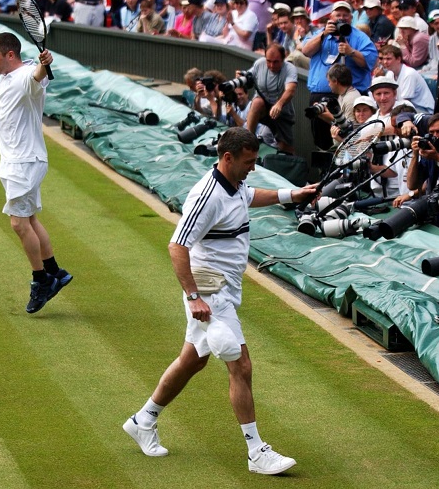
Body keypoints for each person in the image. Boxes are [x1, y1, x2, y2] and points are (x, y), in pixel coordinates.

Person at [122, 127, 318, 475]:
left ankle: (143, 419)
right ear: (227, 158)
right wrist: (194, 296)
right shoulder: (207, 197)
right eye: (248, 162)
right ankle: (257, 452)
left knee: (193, 359)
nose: (252, 168)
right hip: (209, 290)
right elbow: (176, 246)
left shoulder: (236, 183)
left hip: (224, 287)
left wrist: (292, 194)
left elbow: (249, 195)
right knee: (239, 364)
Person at [0, 0, 73, 314]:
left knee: (18, 224)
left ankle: (40, 280)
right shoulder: (7, 69)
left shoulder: (28, 76)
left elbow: (37, 75)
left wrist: (45, 64)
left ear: (10, 56)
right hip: (17, 160)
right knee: (29, 219)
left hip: (24, 162)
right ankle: (54, 270)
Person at [301, 1, 378, 149]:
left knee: (348, 140)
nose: (342, 18)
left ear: (351, 17)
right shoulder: (320, 34)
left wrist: (352, 52)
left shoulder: (360, 38)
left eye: (345, 15)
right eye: (338, 15)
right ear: (331, 16)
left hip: (350, 98)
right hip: (321, 95)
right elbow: (306, 51)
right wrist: (323, 34)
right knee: (322, 142)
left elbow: (370, 61)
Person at [243, 43, 298, 153]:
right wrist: (240, 78)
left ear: (283, 59)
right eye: (268, 61)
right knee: (257, 102)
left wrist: (279, 104)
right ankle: (248, 140)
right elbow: (246, 77)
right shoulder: (259, 64)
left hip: (281, 111)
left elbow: (290, 90)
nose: (272, 65)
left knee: (284, 147)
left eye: (276, 62)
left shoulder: (290, 69)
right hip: (262, 108)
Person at [378, 44, 435, 114]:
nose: (385, 62)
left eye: (388, 59)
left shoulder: (409, 74)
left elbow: (405, 104)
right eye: (383, 59)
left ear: (398, 59)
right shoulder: (389, 74)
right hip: (407, 108)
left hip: (423, 111)